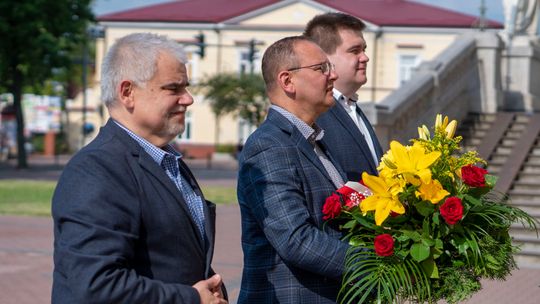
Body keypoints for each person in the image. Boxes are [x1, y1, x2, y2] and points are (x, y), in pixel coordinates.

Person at [51, 33, 227, 304]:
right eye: (173, 88)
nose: (188, 99)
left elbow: (174, 257)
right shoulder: (96, 169)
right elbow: (97, 285)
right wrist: (192, 298)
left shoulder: (166, 160)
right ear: (128, 93)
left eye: (186, 87)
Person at [237, 36, 351, 303]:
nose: (332, 75)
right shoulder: (269, 145)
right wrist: (378, 265)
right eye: (321, 68)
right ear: (287, 81)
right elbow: (296, 239)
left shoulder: (315, 142)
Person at [304, 12, 384, 182]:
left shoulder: (352, 107)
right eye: (355, 51)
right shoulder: (314, 115)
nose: (365, 57)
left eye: (364, 50)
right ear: (323, 58)